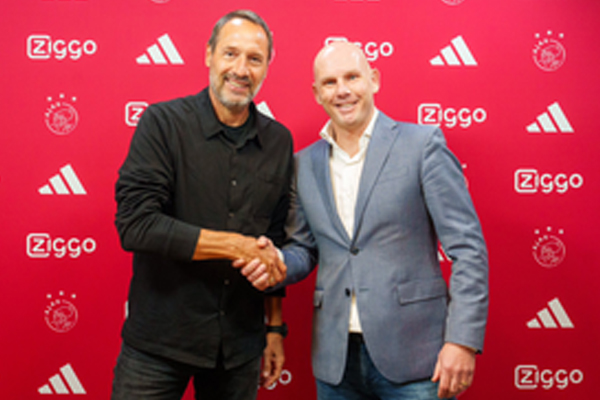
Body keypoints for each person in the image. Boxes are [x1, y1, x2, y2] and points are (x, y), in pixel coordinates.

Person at [241, 41, 489, 399]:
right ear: (317, 93)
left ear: (373, 79)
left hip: (417, 356)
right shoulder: (303, 164)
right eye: (330, 82)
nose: (342, 90)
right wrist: (276, 260)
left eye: (352, 77)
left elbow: (468, 249)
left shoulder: (422, 145)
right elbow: (304, 249)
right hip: (336, 362)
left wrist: (462, 340)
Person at [111, 10, 293, 400]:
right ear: (209, 54)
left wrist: (275, 328)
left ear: (267, 67)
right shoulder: (162, 123)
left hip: (240, 347)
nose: (241, 69)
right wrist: (236, 245)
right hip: (158, 345)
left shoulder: (279, 141)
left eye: (254, 59)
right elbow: (136, 224)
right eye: (230, 54)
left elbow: (273, 242)